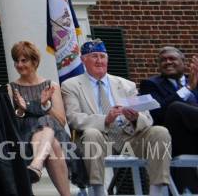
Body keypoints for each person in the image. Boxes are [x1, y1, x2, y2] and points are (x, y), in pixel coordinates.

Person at [62, 40, 172, 196]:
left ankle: (157, 191)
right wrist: (105, 119)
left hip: (130, 139)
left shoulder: (127, 85)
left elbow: (147, 118)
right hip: (100, 141)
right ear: (83, 60)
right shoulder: (71, 85)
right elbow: (74, 118)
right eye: (94, 56)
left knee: (160, 132)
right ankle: (99, 191)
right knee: (92, 134)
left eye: (102, 56)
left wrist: (135, 118)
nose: (99, 61)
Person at [5, 41, 70, 195]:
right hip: (23, 137)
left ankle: (36, 165)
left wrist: (46, 105)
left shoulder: (50, 85)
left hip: (53, 134)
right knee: (52, 144)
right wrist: (20, 110)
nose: (19, 65)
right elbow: (10, 124)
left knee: (46, 122)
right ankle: (65, 193)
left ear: (34, 61)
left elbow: (61, 121)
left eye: (24, 60)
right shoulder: (11, 88)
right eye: (16, 61)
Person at [138, 47, 198, 192]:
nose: (168, 62)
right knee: (176, 107)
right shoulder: (150, 84)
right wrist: (188, 88)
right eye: (163, 60)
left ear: (184, 63)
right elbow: (156, 113)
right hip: (173, 141)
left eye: (172, 59)